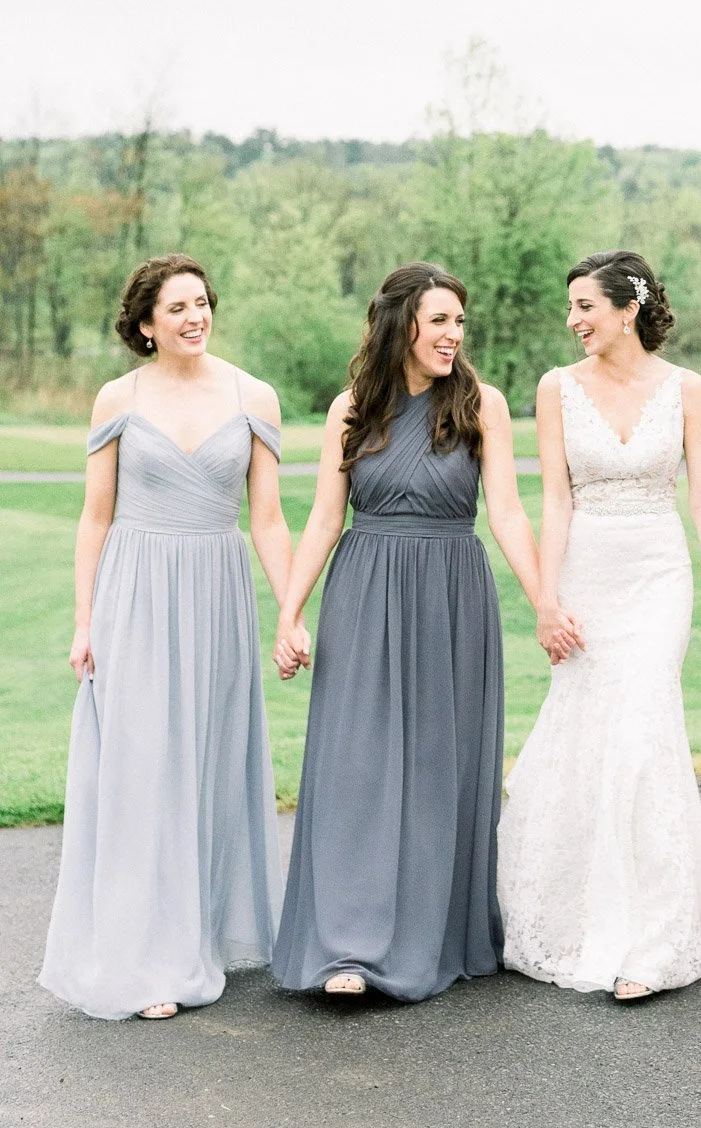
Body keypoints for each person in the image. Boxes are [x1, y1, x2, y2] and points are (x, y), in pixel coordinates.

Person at [271, 263, 564, 1000]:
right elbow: (322, 520)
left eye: (459, 322)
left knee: (438, 770)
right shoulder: (351, 407)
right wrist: (289, 611)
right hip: (364, 590)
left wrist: (544, 603)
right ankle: (347, 946)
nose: (452, 335)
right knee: (355, 770)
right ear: (402, 323)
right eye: (439, 321)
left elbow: (506, 513)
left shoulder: (480, 402)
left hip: (450, 594)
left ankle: (431, 936)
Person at [39, 255, 292, 1021]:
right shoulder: (119, 397)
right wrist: (85, 621)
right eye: (175, 307)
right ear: (146, 324)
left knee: (204, 765)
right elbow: (95, 518)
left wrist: (289, 611)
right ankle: (143, 958)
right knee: (142, 770)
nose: (194, 317)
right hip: (136, 595)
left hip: (216, 596)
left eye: (201, 303)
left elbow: (269, 520)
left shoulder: (256, 396)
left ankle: (196, 937)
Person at [497, 250, 701, 1001]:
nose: (573, 321)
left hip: (656, 574)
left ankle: (654, 936)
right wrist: (546, 598)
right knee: (585, 734)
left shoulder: (686, 389)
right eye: (571, 308)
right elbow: (555, 501)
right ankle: (574, 917)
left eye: (585, 306)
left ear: (627, 308)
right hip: (584, 574)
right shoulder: (555, 388)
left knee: (642, 733)